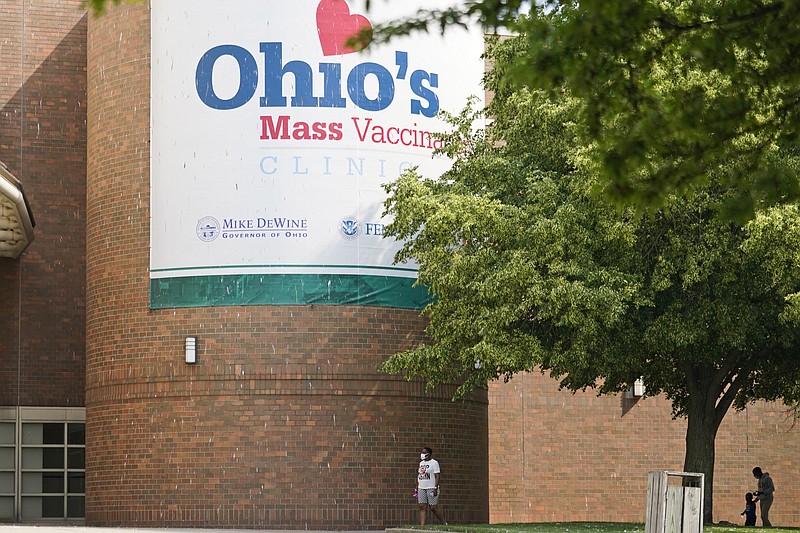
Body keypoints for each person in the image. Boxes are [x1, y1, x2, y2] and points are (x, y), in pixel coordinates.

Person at [416, 446, 446, 525]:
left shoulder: (434, 463)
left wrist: (435, 487)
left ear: (428, 454)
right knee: (422, 506)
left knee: (433, 507)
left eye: (424, 453)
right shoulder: (421, 463)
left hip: (431, 487)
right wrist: (417, 487)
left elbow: (437, 475)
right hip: (421, 487)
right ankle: (422, 525)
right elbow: (419, 475)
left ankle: (443, 522)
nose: (422, 454)